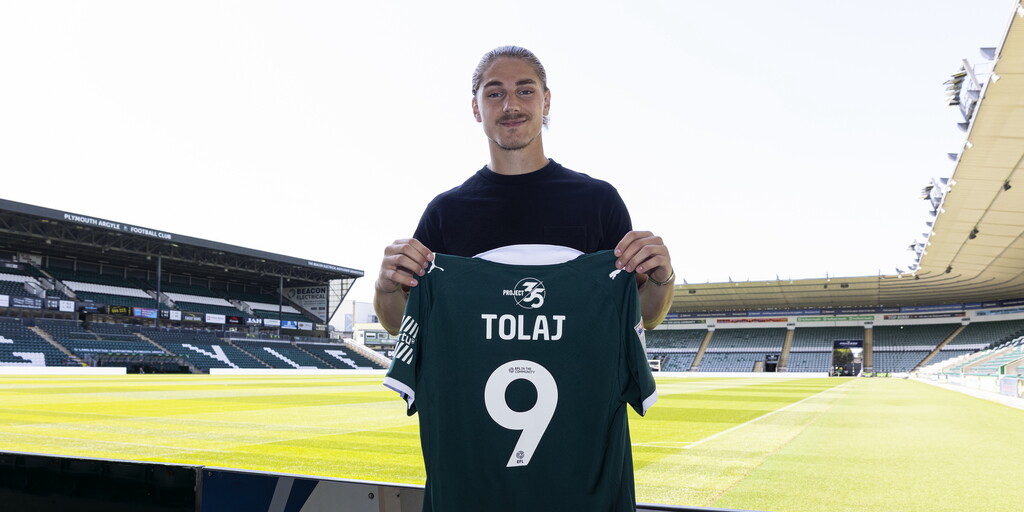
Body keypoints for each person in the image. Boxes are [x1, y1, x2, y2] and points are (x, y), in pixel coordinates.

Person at [374, 45, 674, 334]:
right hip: (474, 372)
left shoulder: (599, 201)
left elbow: (643, 317)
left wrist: (662, 279)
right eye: (495, 94)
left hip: (577, 372)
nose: (511, 105)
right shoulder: (445, 212)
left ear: (547, 101)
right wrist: (385, 287)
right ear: (476, 108)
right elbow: (400, 324)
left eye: (525, 91)